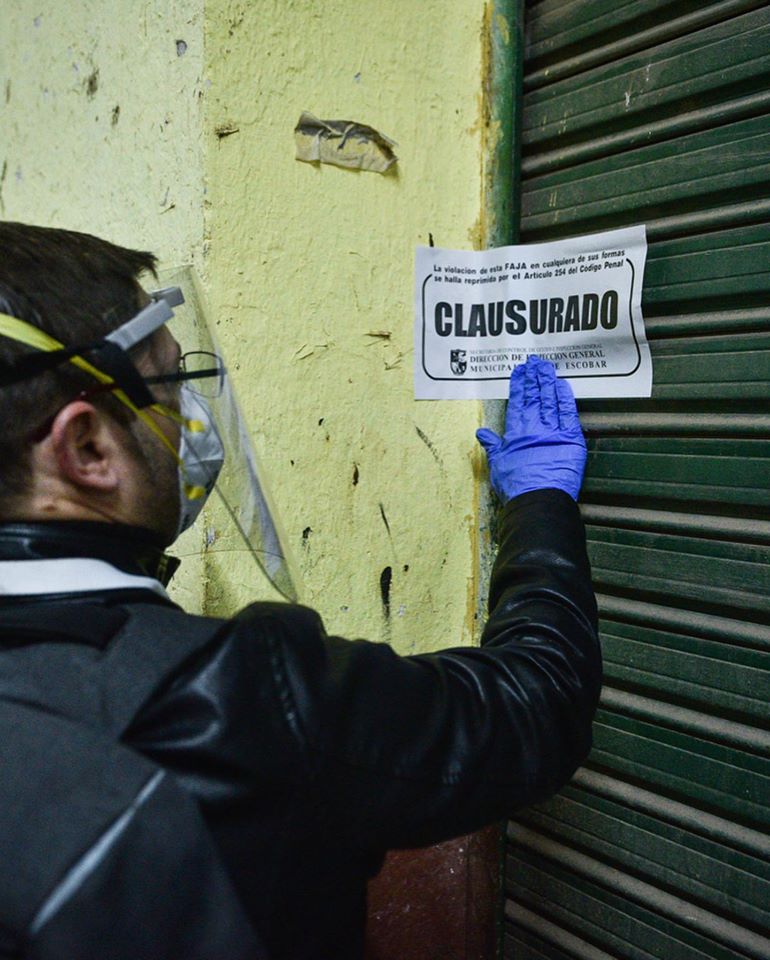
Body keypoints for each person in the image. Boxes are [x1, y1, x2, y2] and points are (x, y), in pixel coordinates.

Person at [0, 221, 601, 960]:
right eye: (172, 389)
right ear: (88, 448)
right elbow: (537, 702)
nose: (193, 421)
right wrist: (541, 502)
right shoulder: (239, 694)